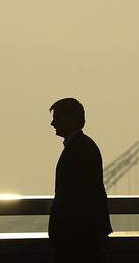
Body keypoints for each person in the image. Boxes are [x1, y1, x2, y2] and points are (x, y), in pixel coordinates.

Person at [48, 98, 112, 263]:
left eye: (57, 118)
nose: (52, 123)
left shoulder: (78, 150)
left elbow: (76, 198)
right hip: (82, 238)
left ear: (71, 119)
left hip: (76, 240)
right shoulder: (85, 146)